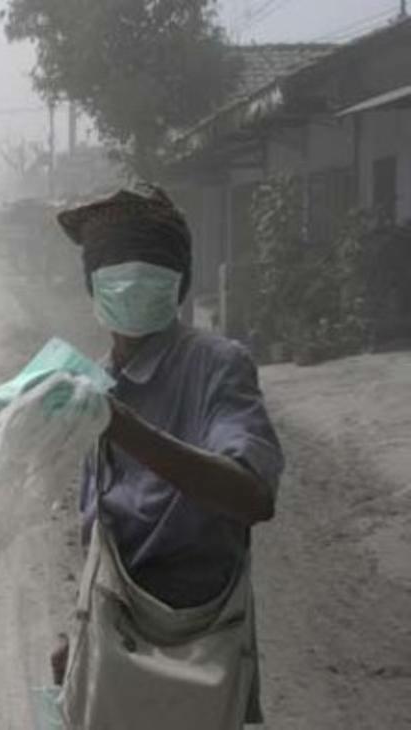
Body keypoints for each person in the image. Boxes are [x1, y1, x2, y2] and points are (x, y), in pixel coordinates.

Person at [53, 184, 284, 727]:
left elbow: (252, 496)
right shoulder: (92, 380)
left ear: (177, 282)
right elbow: (97, 524)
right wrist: (76, 627)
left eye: (148, 266)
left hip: (198, 647)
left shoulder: (217, 365)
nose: (131, 281)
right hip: (110, 641)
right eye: (114, 269)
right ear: (94, 285)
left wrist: (125, 428)